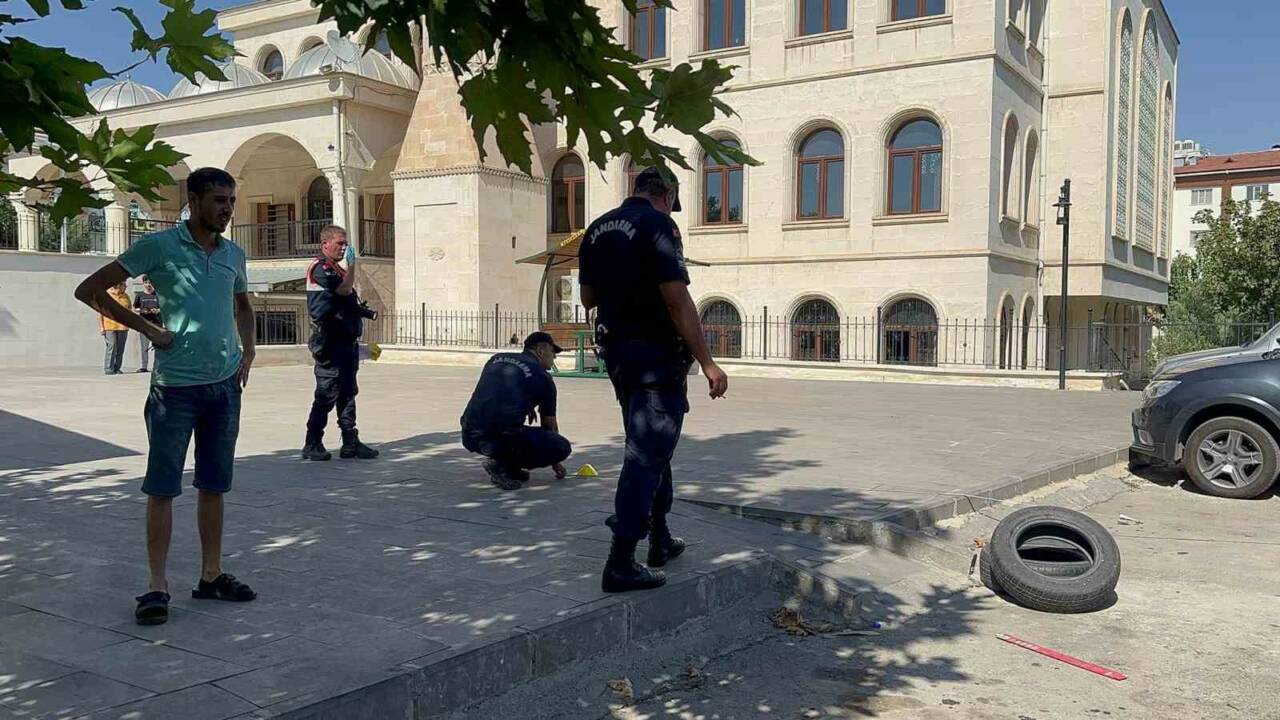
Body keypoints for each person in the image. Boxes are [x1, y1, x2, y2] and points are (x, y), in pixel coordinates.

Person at [74, 167, 258, 625]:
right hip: (174, 390)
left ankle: (211, 576)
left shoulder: (233, 253)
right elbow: (89, 289)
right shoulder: (159, 247)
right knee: (162, 488)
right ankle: (157, 586)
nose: (227, 209)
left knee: (214, 486)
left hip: (223, 387)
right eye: (218, 200)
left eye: (231, 200)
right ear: (193, 201)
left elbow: (242, 304)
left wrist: (248, 353)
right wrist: (148, 329)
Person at [578, 166, 729, 594]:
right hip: (655, 358)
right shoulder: (660, 225)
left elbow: (588, 298)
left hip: (619, 358)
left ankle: (659, 538)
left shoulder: (597, 228)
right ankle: (621, 560)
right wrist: (709, 362)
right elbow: (676, 297)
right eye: (672, 201)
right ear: (666, 195)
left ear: (634, 189)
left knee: (651, 445)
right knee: (645, 456)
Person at [301, 225, 378, 461]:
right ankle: (312, 443)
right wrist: (353, 266)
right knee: (326, 394)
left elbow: (345, 301)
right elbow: (343, 291)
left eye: (345, 243)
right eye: (340, 243)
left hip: (346, 342)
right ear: (325, 244)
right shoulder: (321, 268)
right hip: (329, 343)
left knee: (347, 393)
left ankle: (350, 442)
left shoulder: (334, 268)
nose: (344, 247)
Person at [460, 332, 572, 490]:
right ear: (540, 350)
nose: (554, 357)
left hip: (469, 433)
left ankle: (509, 468)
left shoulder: (497, 359)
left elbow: (498, 393)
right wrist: (556, 462)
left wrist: (527, 406)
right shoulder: (544, 379)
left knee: (507, 428)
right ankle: (500, 463)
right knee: (561, 446)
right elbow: (549, 426)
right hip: (499, 439)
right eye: (553, 352)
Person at [133, 276, 162, 373]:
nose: (148, 285)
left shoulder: (157, 295)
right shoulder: (140, 296)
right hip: (144, 325)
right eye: (146, 282)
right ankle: (144, 366)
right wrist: (142, 310)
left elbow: (163, 308)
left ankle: (157, 366)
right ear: (143, 283)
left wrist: (157, 310)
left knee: (157, 347)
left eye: (150, 282)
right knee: (144, 347)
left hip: (156, 325)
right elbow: (135, 308)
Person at [100, 281, 130, 375]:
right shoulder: (107, 295)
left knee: (120, 349)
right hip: (110, 326)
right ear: (118, 285)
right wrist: (102, 327)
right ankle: (108, 368)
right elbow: (100, 312)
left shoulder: (126, 296)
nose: (126, 286)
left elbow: (130, 311)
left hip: (123, 327)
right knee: (112, 346)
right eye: (124, 285)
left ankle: (117, 368)